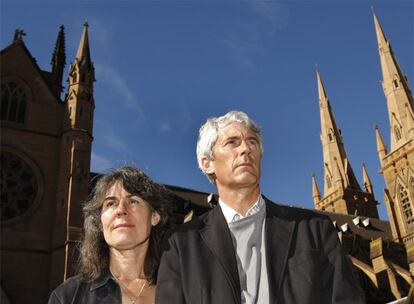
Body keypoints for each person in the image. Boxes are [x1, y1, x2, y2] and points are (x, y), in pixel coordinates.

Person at [156, 110, 363, 303]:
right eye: (232, 142)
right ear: (207, 163)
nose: (246, 149)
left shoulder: (314, 229)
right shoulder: (180, 246)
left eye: (252, 142)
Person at [49, 166, 171, 304]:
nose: (120, 210)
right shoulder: (68, 296)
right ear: (100, 223)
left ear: (154, 216)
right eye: (111, 203)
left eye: (133, 201)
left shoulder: (182, 291)